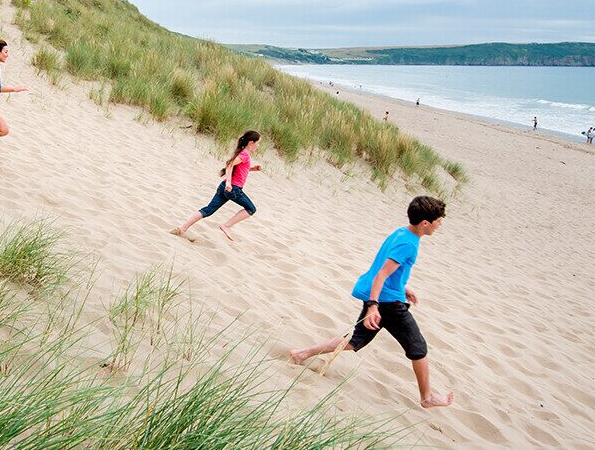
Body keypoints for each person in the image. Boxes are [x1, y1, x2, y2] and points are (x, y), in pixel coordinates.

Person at [289, 196, 454, 409]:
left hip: (386, 297)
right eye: (438, 221)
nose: (439, 225)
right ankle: (427, 397)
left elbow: (388, 270)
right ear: (425, 223)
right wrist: (373, 306)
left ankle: (301, 354)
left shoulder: (402, 233)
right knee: (418, 348)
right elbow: (382, 274)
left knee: (355, 340)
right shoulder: (409, 244)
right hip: (389, 304)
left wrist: (403, 287)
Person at [171, 130, 263, 242]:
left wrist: (252, 169)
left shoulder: (243, 154)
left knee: (208, 209)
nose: (258, 146)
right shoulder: (245, 155)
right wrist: (229, 182)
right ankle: (226, 226)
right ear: (251, 143)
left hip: (224, 187)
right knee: (251, 209)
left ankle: (182, 228)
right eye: (258, 143)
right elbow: (230, 164)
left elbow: (239, 169)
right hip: (233, 189)